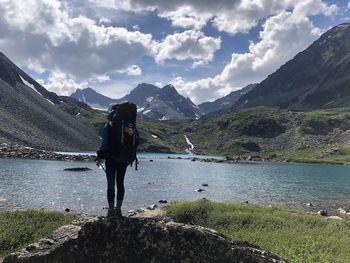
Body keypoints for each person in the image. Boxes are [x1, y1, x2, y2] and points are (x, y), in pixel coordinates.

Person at [96, 103, 128, 217]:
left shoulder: (108, 125)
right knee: (120, 183)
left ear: (112, 111)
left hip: (111, 158)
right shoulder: (127, 124)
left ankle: (111, 210)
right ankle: (119, 210)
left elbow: (104, 144)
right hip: (124, 159)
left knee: (111, 184)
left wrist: (100, 157)